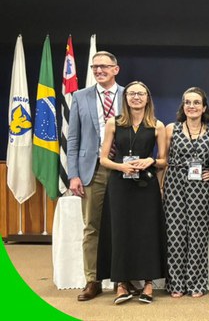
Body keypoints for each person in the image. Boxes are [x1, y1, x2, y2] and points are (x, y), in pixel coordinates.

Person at [97, 81, 168, 304]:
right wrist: (121, 167)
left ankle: (148, 283)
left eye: (140, 94)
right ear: (125, 97)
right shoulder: (114, 123)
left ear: (148, 98)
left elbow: (164, 160)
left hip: (146, 187)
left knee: (147, 232)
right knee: (121, 231)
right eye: (131, 94)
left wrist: (151, 160)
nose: (136, 97)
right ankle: (122, 283)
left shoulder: (157, 125)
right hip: (120, 185)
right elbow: (104, 158)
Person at [66, 51, 126, 301]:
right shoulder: (80, 97)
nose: (99, 70)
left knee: (124, 225)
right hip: (92, 170)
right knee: (92, 226)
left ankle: (124, 278)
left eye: (104, 66)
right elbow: (73, 138)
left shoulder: (131, 94)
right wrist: (73, 175)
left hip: (124, 169)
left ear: (116, 69)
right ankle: (93, 280)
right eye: (94, 67)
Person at [162, 87, 209, 298]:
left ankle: (196, 282)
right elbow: (163, 160)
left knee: (198, 236)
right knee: (174, 236)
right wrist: (160, 187)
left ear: (204, 107)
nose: (191, 106)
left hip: (200, 187)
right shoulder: (170, 129)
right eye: (187, 102)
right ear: (183, 106)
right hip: (174, 184)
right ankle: (176, 282)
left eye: (196, 103)